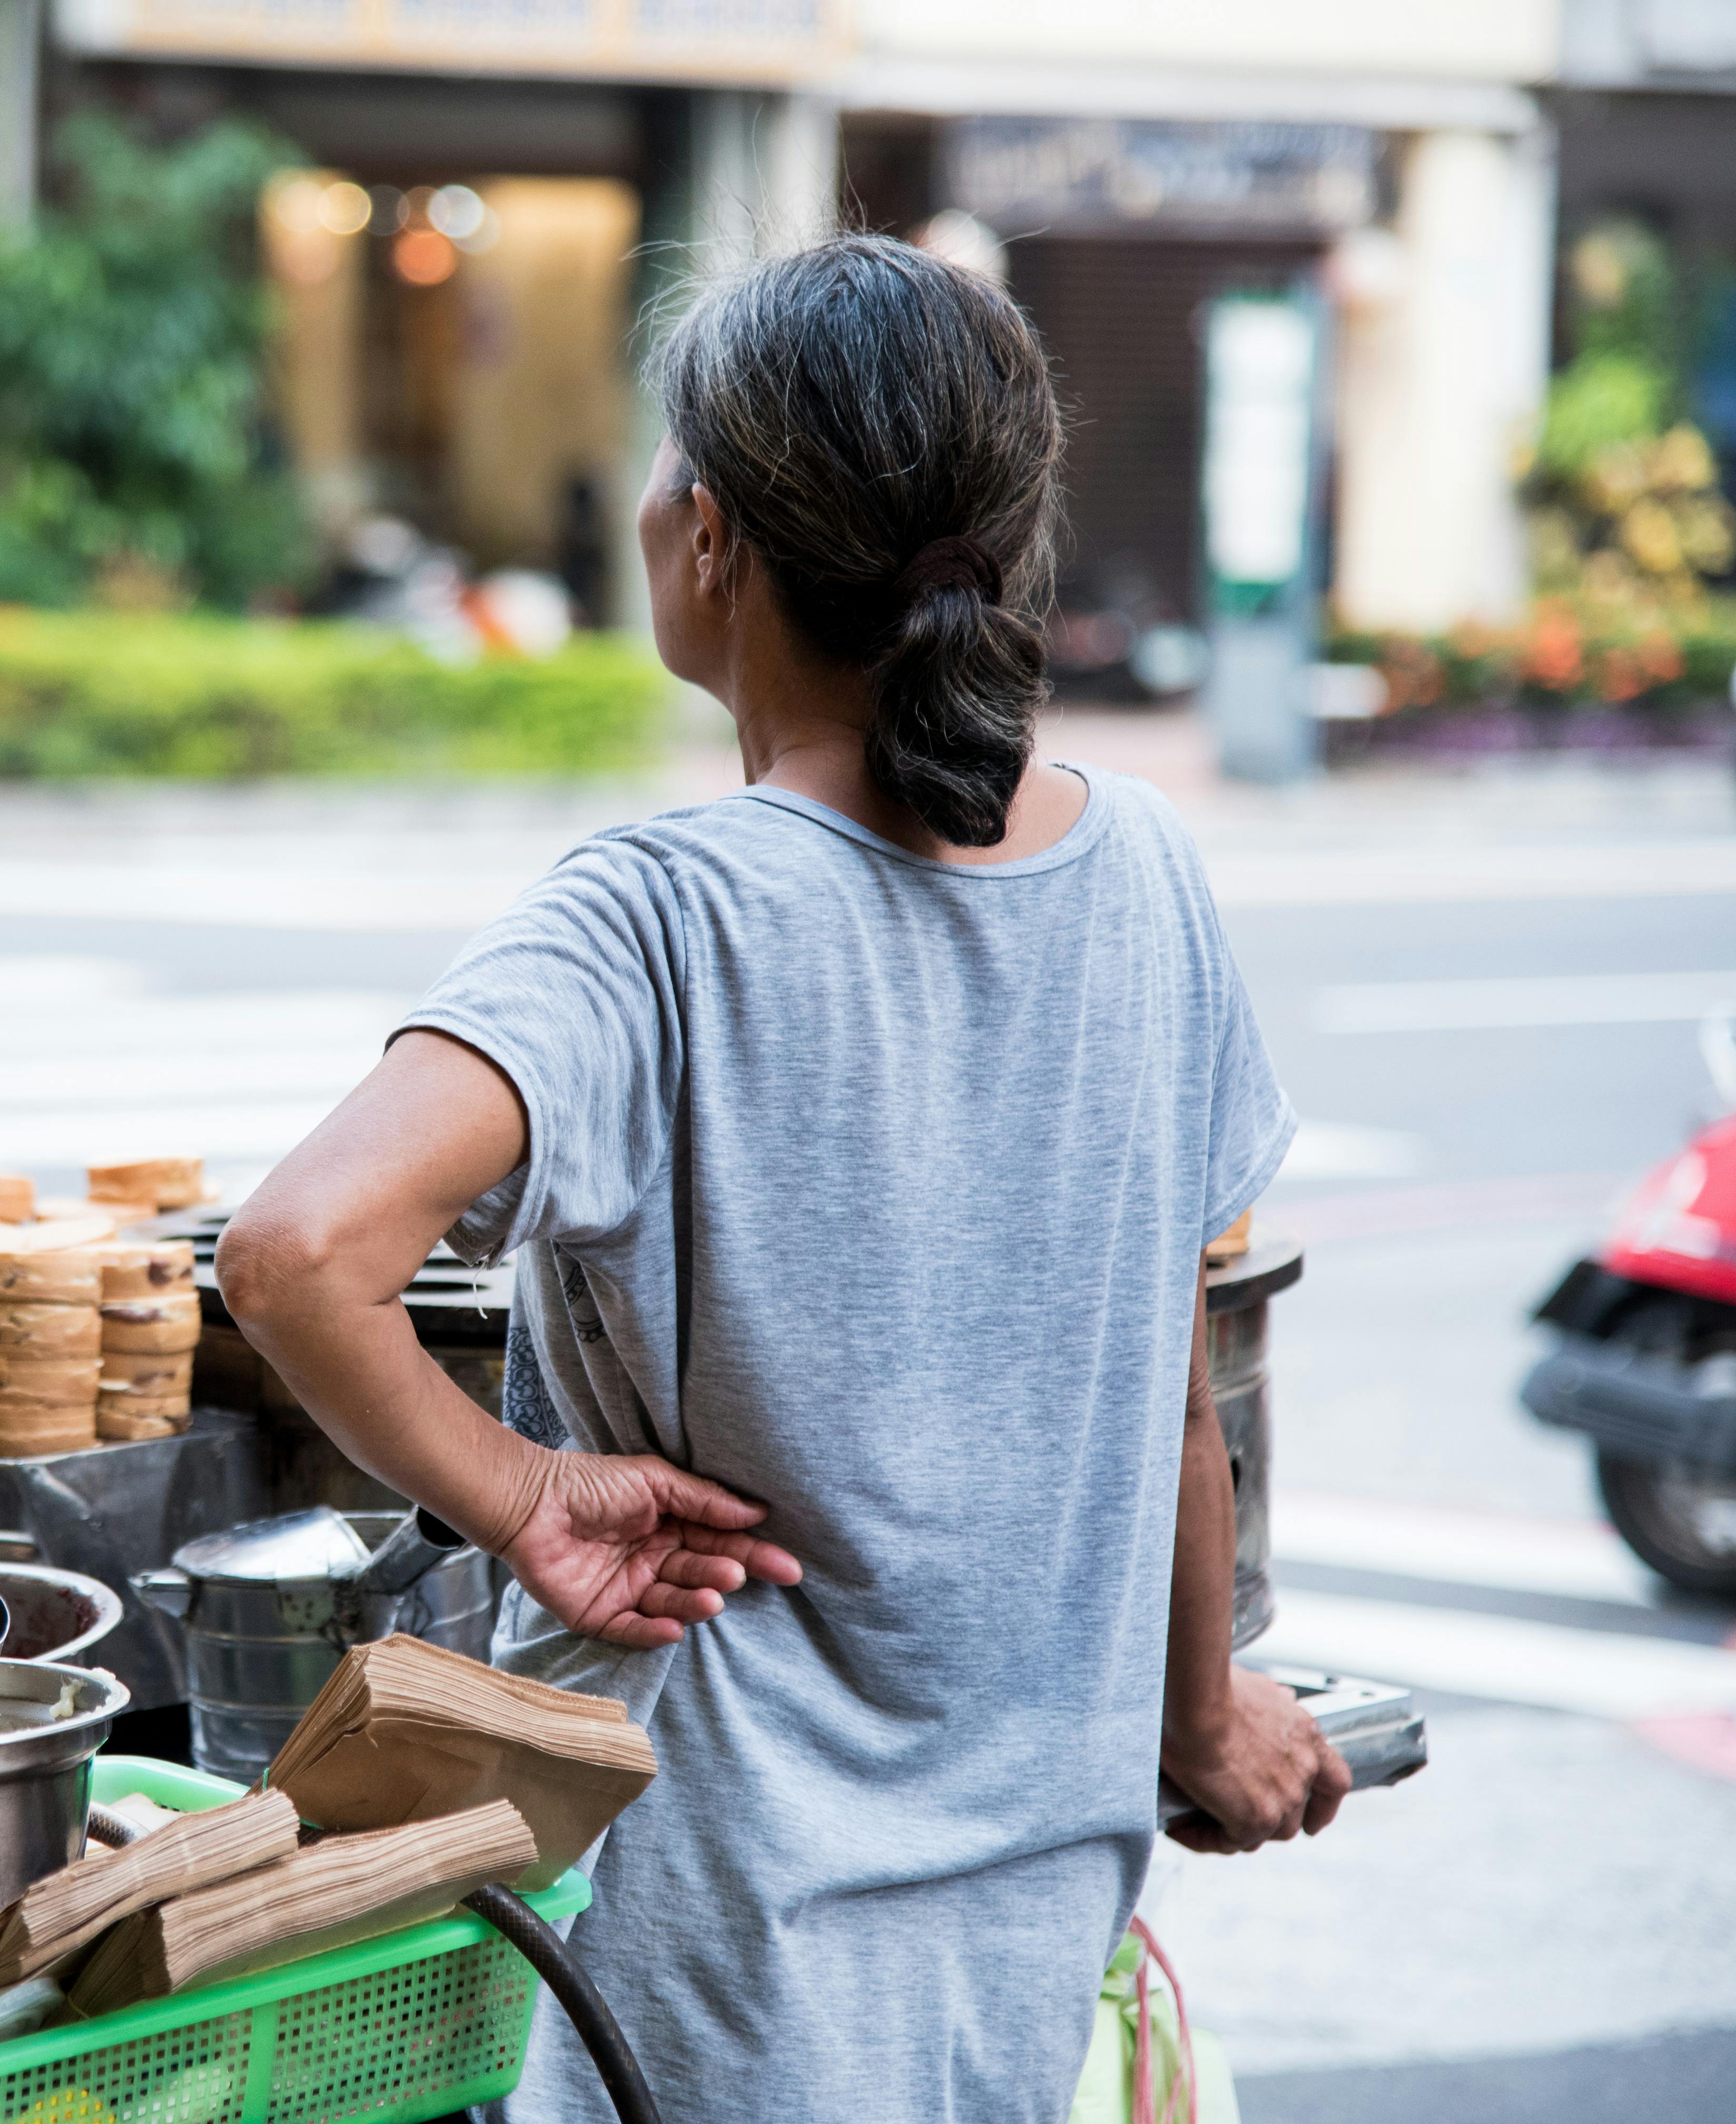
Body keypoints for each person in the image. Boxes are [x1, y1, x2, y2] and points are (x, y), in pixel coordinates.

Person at [215, 233, 1348, 2124]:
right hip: (1032, 1920)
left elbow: (298, 1251)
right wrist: (1202, 1713)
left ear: (714, 539)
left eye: (670, 468)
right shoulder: (1145, 871)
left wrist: (528, 1497)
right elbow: (1179, 1401)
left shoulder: (656, 918)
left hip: (712, 1946)